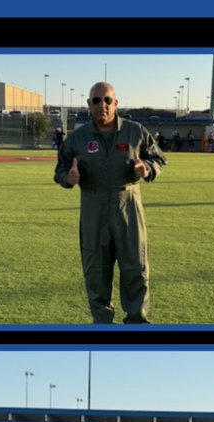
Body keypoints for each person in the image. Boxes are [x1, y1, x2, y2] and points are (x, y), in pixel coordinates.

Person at [54, 82, 167, 324]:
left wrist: (146, 169)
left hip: (128, 206)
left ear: (116, 103)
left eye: (107, 100)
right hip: (93, 209)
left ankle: (137, 321)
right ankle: (103, 323)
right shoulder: (77, 139)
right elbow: (60, 169)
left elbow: (158, 158)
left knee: (135, 268)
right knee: (96, 272)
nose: (102, 105)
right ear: (89, 104)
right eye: (96, 100)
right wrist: (68, 178)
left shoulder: (135, 132)